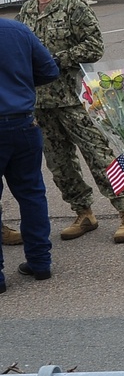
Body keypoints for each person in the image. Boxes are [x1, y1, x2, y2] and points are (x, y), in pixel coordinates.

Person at [17, 0, 124, 245]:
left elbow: (94, 46)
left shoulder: (73, 5)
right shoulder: (27, 11)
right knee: (59, 163)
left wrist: (52, 60)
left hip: (76, 99)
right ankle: (83, 212)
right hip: (41, 102)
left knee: (102, 156)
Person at [0, 18, 59, 294]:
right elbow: (49, 69)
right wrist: (19, 81)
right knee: (32, 192)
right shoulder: (18, 30)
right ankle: (40, 262)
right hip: (23, 122)